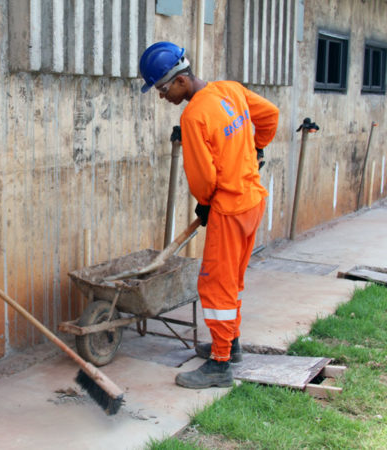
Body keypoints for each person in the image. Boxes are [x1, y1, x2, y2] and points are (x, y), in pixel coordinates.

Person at [139, 42, 279, 389]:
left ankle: (219, 366)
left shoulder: (193, 116)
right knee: (232, 280)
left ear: (181, 81)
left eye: (162, 88)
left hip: (229, 210)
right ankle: (229, 344)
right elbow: (270, 116)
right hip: (252, 201)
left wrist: (204, 201)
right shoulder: (229, 90)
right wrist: (254, 150)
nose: (161, 96)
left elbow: (203, 179)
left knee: (215, 284)